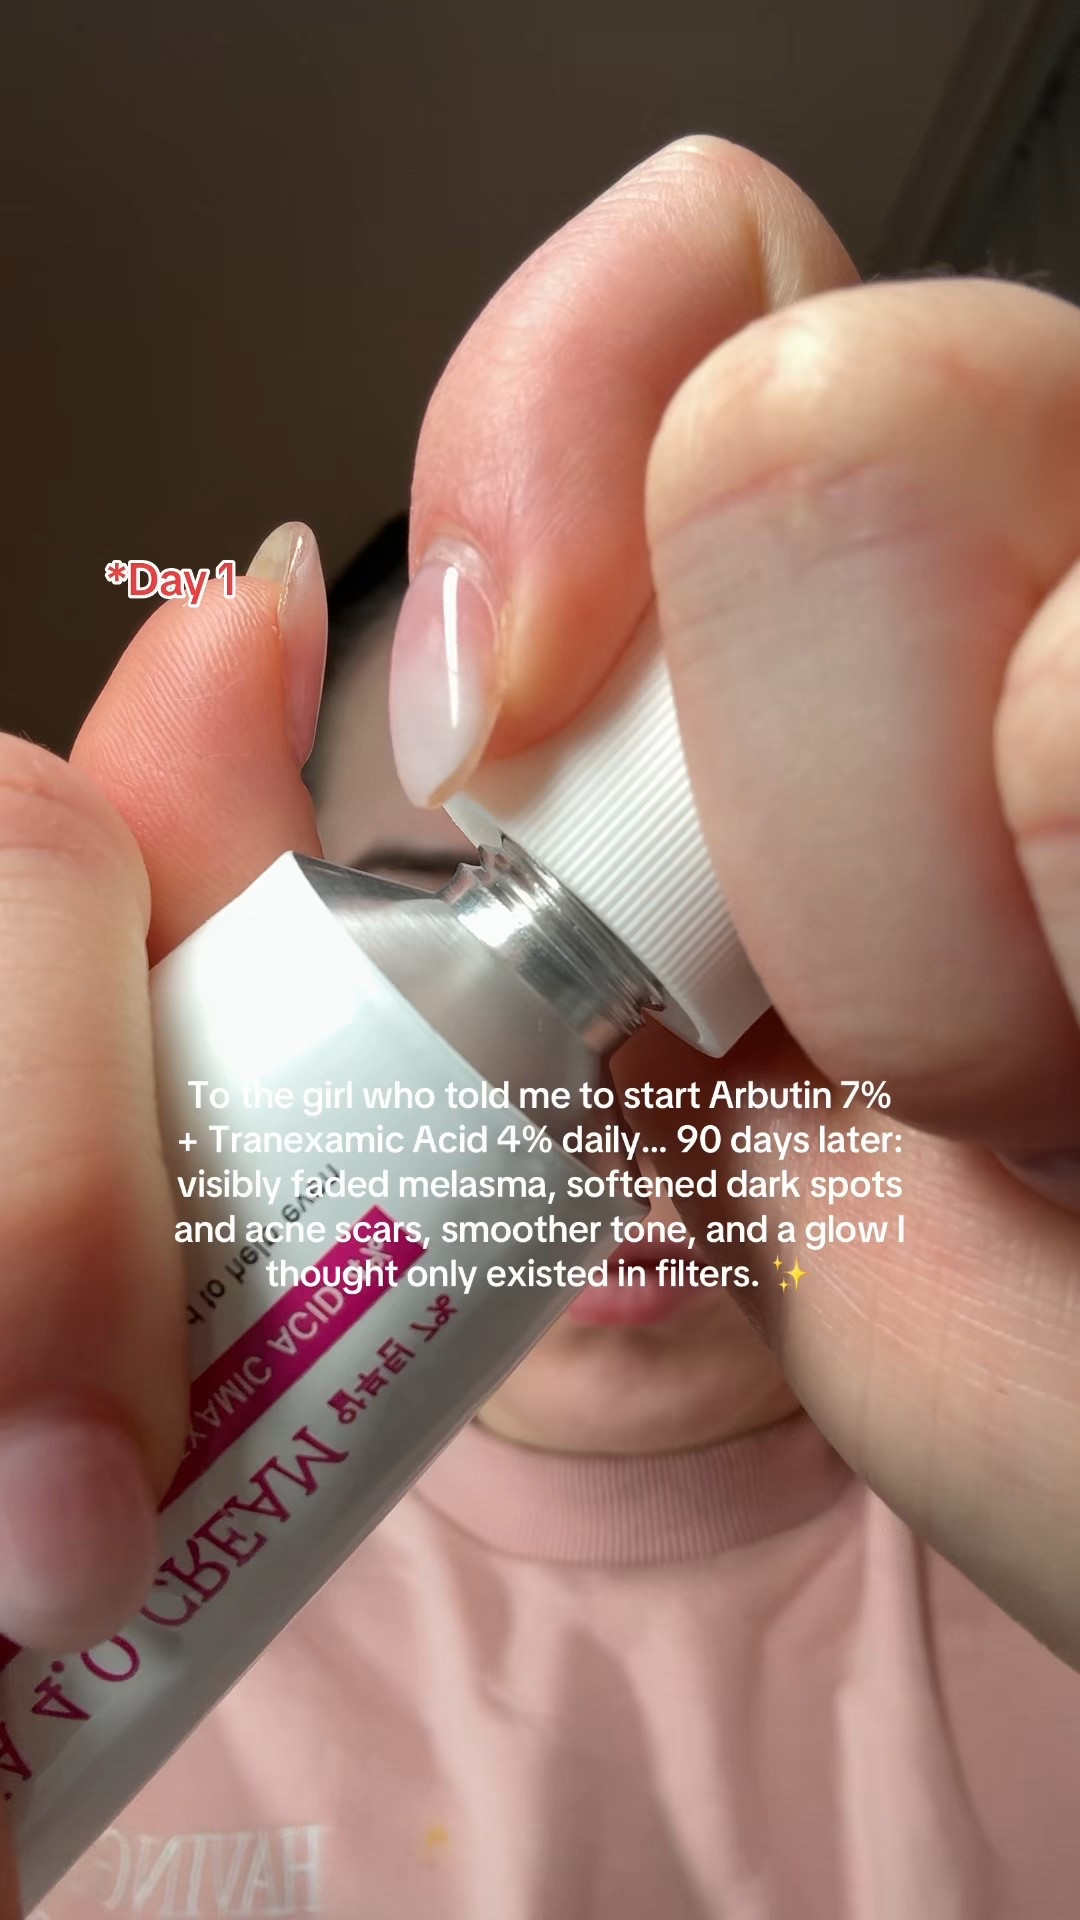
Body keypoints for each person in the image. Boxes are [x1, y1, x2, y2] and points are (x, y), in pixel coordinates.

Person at [4, 135, 1080, 1918]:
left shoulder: (1032, 1545)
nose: (611, 1119)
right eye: (416, 991)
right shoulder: (135, 1580)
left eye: (782, 1008)